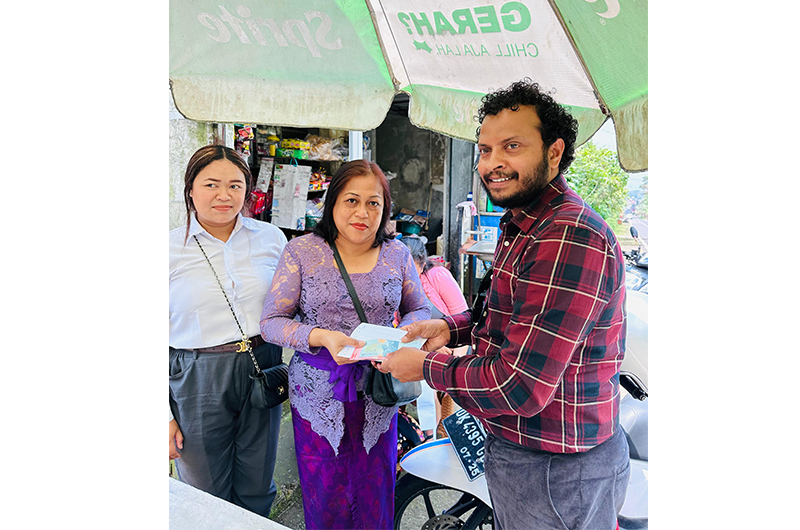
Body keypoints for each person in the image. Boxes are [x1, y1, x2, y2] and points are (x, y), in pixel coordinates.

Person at [380, 79, 631, 530]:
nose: (492, 163)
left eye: (511, 146)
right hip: (526, 452)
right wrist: (450, 328)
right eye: (484, 149)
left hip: (556, 469)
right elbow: (510, 314)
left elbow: (520, 386)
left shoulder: (567, 235)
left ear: (554, 152)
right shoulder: (523, 222)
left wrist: (425, 367)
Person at [259, 159, 430, 529]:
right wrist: (321, 336)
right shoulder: (301, 252)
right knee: (326, 491)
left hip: (379, 390)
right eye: (352, 200)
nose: (362, 213)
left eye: (373, 203)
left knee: (376, 486)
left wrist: (399, 338)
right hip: (318, 394)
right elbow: (271, 323)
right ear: (333, 202)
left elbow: (419, 309)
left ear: (385, 209)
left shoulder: (398, 254)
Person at [169, 145, 288, 517]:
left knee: (257, 485)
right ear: (190, 189)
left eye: (235, 185)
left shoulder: (271, 238)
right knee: (204, 492)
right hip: (196, 375)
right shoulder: (166, 249)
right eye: (211, 184)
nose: (224, 195)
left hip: (262, 364)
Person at [399, 236, 469, 439]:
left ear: (422, 265)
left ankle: (437, 435)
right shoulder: (392, 286)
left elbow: (463, 319)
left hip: (454, 348)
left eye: (412, 271)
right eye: (402, 272)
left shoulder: (438, 276)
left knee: (443, 404)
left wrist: (453, 362)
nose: (407, 278)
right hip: (420, 350)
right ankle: (427, 437)